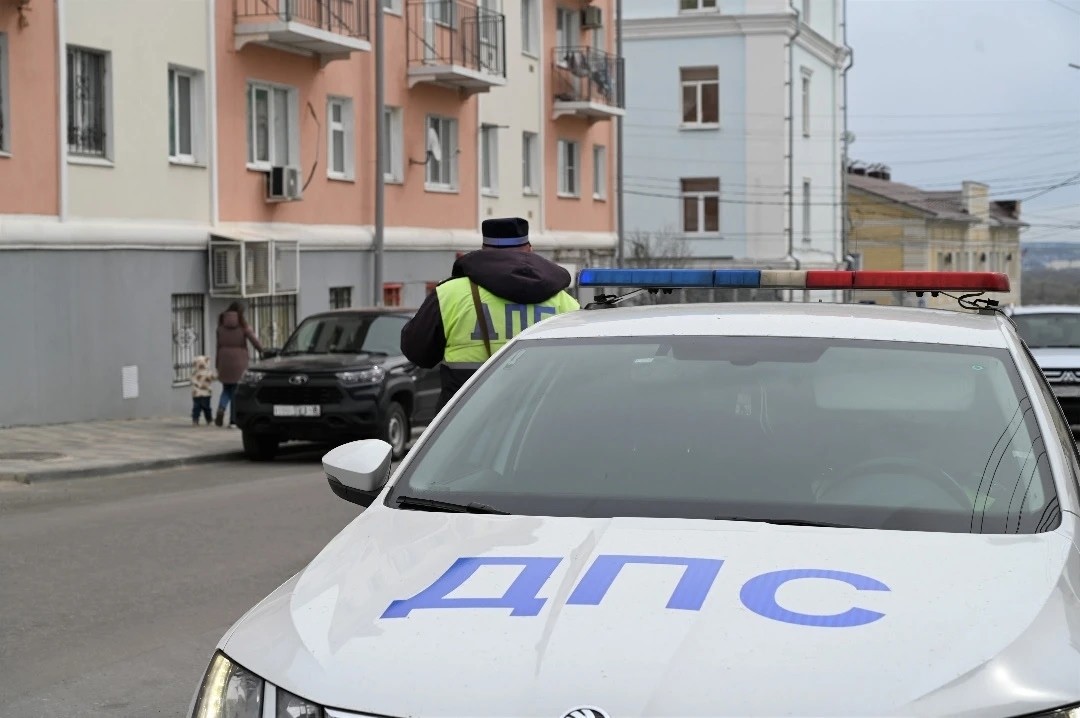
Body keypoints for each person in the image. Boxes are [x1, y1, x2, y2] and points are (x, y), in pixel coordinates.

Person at [401, 217, 580, 410]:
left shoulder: (450, 295)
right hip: (541, 419)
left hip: (467, 420)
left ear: (484, 249)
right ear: (529, 249)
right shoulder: (565, 303)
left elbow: (418, 353)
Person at [215, 301, 264, 428]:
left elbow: (218, 346)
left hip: (224, 360)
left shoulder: (221, 326)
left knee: (226, 389)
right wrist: (262, 350)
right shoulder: (243, 325)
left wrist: (217, 363)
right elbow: (254, 341)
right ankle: (233, 421)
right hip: (239, 362)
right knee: (235, 392)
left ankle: (221, 408)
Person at [189, 355, 216, 426]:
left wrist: (197, 384)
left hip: (198, 393)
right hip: (204, 392)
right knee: (205, 407)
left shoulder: (196, 372)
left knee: (197, 407)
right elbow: (213, 378)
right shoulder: (207, 372)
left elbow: (192, 380)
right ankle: (208, 419)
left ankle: (196, 419)